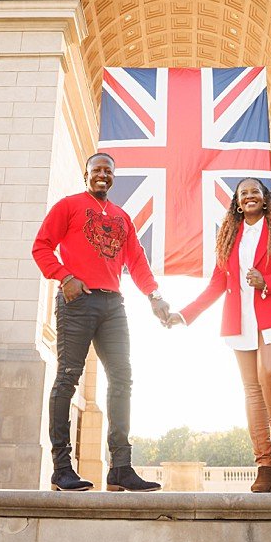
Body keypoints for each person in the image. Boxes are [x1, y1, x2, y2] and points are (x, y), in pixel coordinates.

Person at [33, 152, 172, 492]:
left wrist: (154, 296)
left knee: (122, 380)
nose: (102, 175)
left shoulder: (123, 218)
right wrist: (64, 276)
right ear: (86, 174)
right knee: (67, 378)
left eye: (108, 171)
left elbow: (137, 262)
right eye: (97, 169)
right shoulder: (68, 206)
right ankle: (62, 467)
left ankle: (121, 468)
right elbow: (41, 247)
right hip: (77, 301)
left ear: (113, 177)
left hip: (113, 304)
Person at [167, 178, 271, 493]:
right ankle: (264, 464)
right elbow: (217, 284)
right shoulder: (230, 238)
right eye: (243, 193)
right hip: (240, 318)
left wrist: (268, 281)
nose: (249, 196)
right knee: (252, 390)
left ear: (265, 197)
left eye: (254, 191)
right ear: (236, 201)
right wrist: (185, 313)